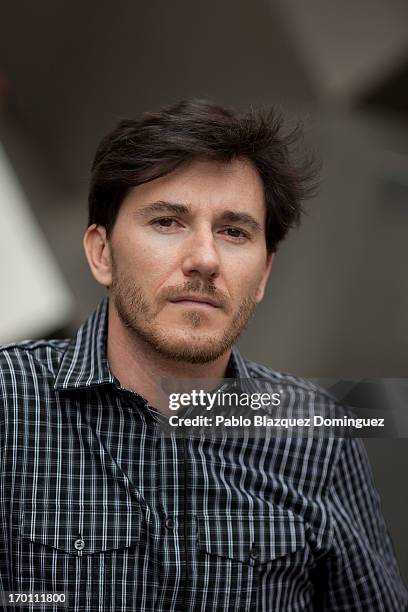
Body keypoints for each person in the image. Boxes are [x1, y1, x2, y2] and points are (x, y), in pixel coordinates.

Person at [0, 99, 406, 612]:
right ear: (101, 253)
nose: (205, 260)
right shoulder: (10, 406)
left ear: (262, 276)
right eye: (168, 222)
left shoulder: (317, 440)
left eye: (234, 232)